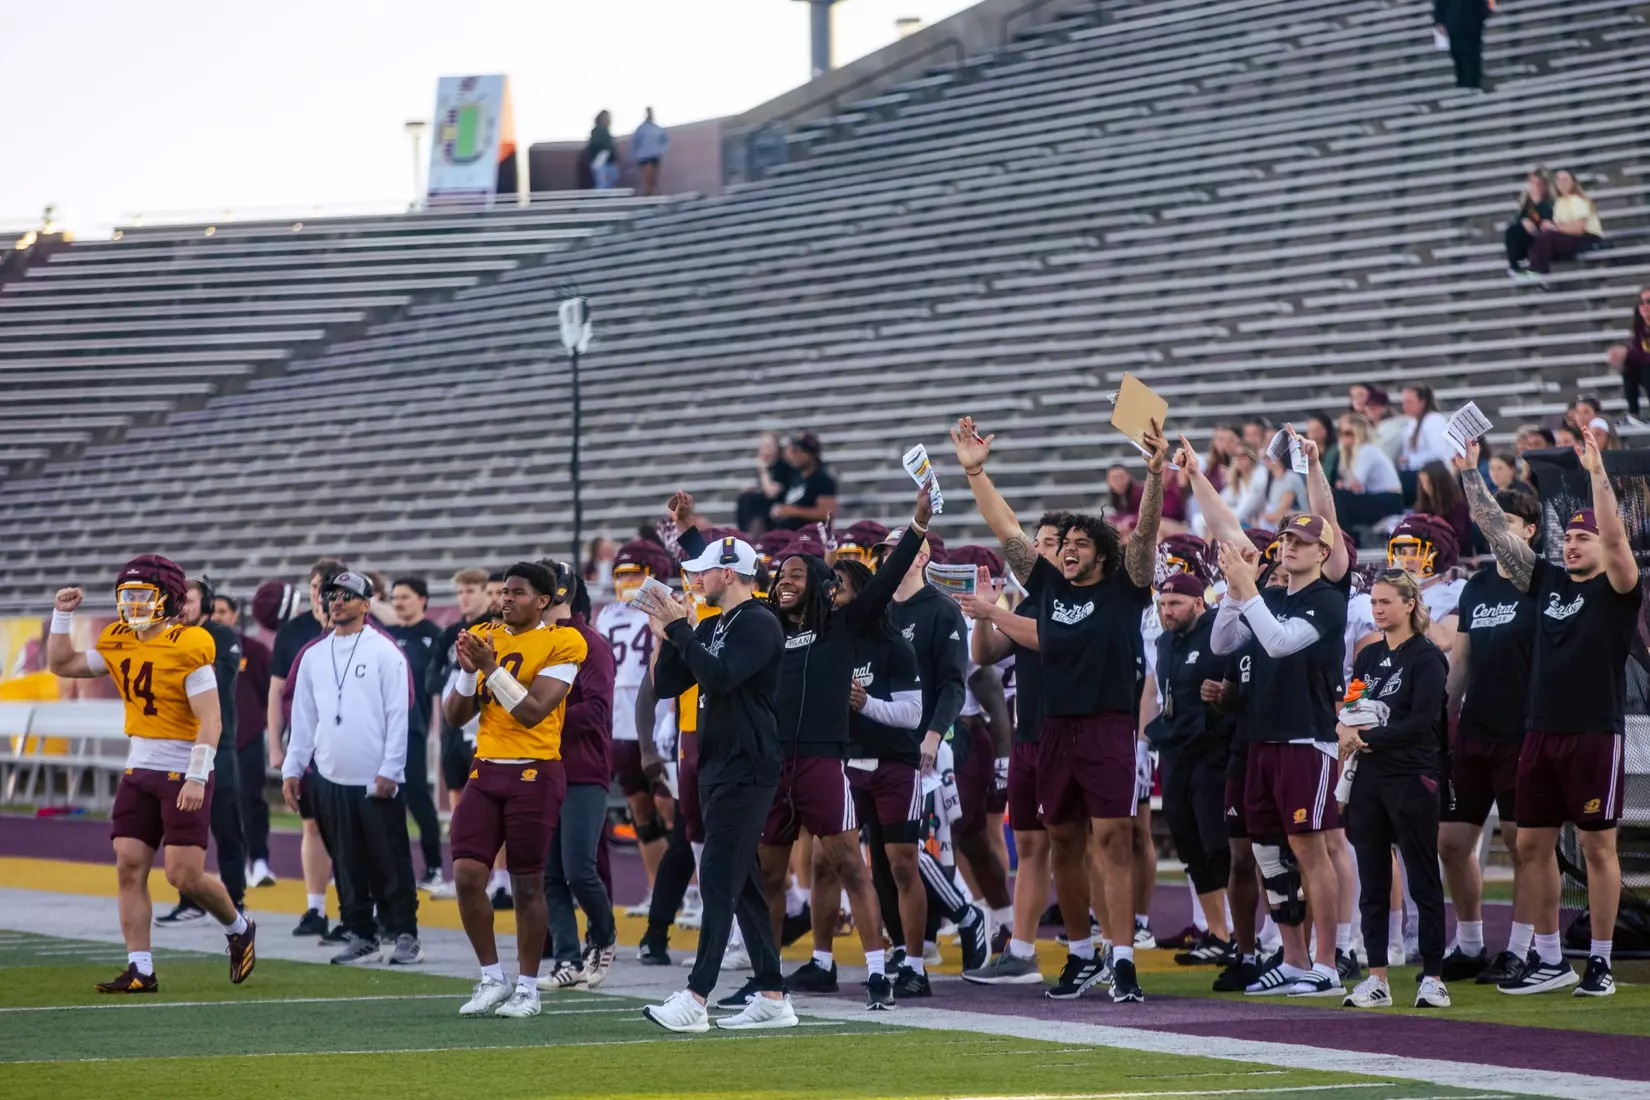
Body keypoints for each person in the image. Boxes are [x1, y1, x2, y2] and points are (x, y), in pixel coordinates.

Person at [675, 484, 931, 1011]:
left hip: (820, 758)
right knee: (765, 870)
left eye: (796, 575)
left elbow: (881, 585)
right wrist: (688, 533)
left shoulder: (841, 626)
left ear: (822, 585)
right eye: (780, 575)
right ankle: (767, 976)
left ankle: (878, 971)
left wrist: (919, 526)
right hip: (770, 763)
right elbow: (729, 573)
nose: (783, 581)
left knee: (846, 862)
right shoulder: (763, 626)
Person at [953, 413, 1167, 1003]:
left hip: (1107, 729)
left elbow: (1144, 537)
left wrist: (1153, 474)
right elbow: (1009, 532)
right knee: (1064, 843)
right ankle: (1080, 954)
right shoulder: (1047, 587)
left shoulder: (1125, 587)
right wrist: (976, 473)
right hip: (1053, 732)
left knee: (1114, 840)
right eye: (1063, 545)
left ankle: (1122, 959)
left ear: (1102, 554)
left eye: (1078, 545)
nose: (1067, 551)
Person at [1465, 428, 1636, 998]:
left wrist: (1596, 473)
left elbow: (1614, 541)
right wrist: (1471, 474)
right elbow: (1496, 533)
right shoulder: (1547, 580)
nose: (1571, 545)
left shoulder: (1618, 586)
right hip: (1538, 732)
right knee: (1532, 846)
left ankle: (1603, 961)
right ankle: (1549, 957)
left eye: (1581, 538)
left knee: (1596, 847)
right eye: (1568, 538)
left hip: (1592, 734)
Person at [46, 555, 255, 992]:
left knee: (183, 875)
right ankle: (140, 967)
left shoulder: (189, 643)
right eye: (129, 596)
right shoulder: (119, 639)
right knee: (129, 865)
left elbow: (210, 720)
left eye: (144, 595)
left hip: (182, 767)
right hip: (139, 766)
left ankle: (238, 928)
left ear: (168, 598)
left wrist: (197, 775)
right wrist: (62, 615)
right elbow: (62, 664)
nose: (135, 604)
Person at [638, 534, 794, 1033]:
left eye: (703, 570)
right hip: (717, 764)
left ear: (728, 573)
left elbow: (721, 677)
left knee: (720, 880)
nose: (696, 578)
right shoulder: (715, 622)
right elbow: (668, 684)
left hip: (747, 766)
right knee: (741, 881)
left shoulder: (759, 622)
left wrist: (683, 630)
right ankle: (772, 994)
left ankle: (696, 995)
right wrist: (667, 632)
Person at [442, 562, 589, 1019]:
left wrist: (489, 667)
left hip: (535, 772)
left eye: (518, 592)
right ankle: (492, 977)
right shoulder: (485, 634)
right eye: (503, 591)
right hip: (485, 769)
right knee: (467, 876)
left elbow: (533, 712)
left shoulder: (564, 640)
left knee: (527, 886)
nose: (506, 599)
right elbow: (454, 716)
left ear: (543, 600)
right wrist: (469, 672)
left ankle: (528, 987)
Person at [281, 571, 422, 966]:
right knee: (346, 863)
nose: (336, 601)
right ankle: (361, 932)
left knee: (390, 861)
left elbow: (399, 716)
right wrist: (293, 770)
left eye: (347, 595)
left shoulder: (385, 651)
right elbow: (303, 720)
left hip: (376, 778)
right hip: (329, 777)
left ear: (366, 603)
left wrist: (391, 770)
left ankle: (405, 933)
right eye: (332, 595)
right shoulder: (312, 655)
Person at [960, 513, 1068, 985]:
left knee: (1082, 845)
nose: (1038, 551)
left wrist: (992, 612)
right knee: (1029, 843)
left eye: (1047, 543)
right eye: (1036, 542)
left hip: (1072, 735)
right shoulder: (1027, 603)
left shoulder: (1083, 600)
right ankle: (1020, 948)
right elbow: (985, 655)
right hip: (1030, 733)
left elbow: (1050, 640)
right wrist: (986, 613)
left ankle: (1107, 948)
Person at [883, 521, 991, 990]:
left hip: (928, 746)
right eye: (885, 550)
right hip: (883, 742)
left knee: (919, 850)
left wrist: (934, 734)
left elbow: (953, 683)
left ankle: (967, 915)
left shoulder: (941, 610)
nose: (888, 557)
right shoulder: (880, 610)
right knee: (886, 852)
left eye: (897, 549)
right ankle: (913, 943)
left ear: (922, 556)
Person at [1339, 571, 1452, 1009]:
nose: (1378, 610)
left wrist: (1365, 736)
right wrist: (1345, 725)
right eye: (1374, 602)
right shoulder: (1367, 658)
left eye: (1387, 601)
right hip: (1369, 778)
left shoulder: (1427, 658)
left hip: (1412, 776)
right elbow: (1350, 705)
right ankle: (1377, 978)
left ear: (1410, 604)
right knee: (1372, 879)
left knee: (1422, 878)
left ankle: (1433, 976)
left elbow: (1422, 723)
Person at [1443, 483, 1540, 985]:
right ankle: (1471, 943)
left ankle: (1522, 949)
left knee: (1523, 844)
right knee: (1452, 842)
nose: (1498, 527)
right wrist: (1442, 716)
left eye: (1509, 518)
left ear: (1530, 529)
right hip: (1476, 730)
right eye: (1492, 518)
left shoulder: (1539, 582)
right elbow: (1461, 660)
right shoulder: (1477, 586)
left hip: (1522, 730)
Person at [831, 557, 926, 999]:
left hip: (894, 764)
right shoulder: (831, 642)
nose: (832, 595)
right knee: (834, 863)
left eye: (841, 587)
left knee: (902, 863)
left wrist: (866, 703)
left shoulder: (894, 646)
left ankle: (916, 962)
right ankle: (822, 959)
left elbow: (912, 714)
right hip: (848, 764)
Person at [1144, 567, 1237, 965]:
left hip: (1213, 751)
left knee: (1221, 846)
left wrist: (1222, 698)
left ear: (1200, 602)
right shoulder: (1166, 642)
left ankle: (1247, 934)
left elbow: (1240, 684)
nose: (1168, 611)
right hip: (1176, 752)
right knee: (1191, 847)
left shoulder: (1220, 632)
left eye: (1176, 603)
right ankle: (1218, 933)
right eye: (1163, 604)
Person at [538, 567, 619, 991]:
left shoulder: (591, 644)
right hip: (542, 765)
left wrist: (539, 712)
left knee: (578, 869)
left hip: (583, 768)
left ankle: (603, 937)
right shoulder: (534, 640)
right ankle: (566, 959)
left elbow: (597, 713)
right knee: (550, 872)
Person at [154, 579, 246, 925]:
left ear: (206, 605)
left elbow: (217, 686)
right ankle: (190, 900)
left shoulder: (221, 636)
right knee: (182, 826)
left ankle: (235, 900)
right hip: (181, 744)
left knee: (226, 825)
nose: (182, 607)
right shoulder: (173, 636)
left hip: (218, 744)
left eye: (189, 601)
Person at [598, 539, 679, 908]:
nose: (628, 582)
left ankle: (690, 892)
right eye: (622, 575)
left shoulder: (671, 609)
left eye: (635, 574)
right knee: (641, 813)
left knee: (672, 811)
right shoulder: (607, 614)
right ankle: (656, 891)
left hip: (659, 721)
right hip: (620, 725)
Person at [267, 558, 345, 939]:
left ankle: (360, 908)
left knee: (351, 829)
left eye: (331, 587)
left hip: (346, 745)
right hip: (306, 744)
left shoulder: (359, 631)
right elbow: (277, 692)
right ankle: (315, 906)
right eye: (317, 586)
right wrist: (276, 749)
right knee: (311, 825)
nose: (322, 595)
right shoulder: (294, 631)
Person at [428, 566, 496, 900]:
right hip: (454, 727)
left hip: (486, 726)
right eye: (460, 592)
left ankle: (501, 877)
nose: (464, 597)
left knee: (493, 806)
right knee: (458, 802)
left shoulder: (494, 630)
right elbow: (433, 679)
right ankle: (462, 872)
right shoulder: (450, 633)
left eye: (471, 590)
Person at [382, 576, 448, 892]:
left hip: (412, 728)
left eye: (405, 597)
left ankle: (434, 867)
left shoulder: (433, 636)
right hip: (376, 729)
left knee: (417, 797)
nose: (397, 602)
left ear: (422, 599)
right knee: (379, 801)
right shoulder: (383, 634)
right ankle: (389, 868)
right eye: (394, 597)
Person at [219, 590, 276, 888]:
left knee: (252, 799)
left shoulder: (252, 650)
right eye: (212, 611)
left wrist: (263, 724)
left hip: (247, 738)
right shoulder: (198, 650)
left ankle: (261, 861)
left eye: (222, 611)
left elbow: (271, 692)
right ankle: (233, 864)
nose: (217, 617)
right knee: (223, 805)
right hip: (214, 740)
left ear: (234, 615)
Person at [1525, 169, 1604, 278]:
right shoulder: (1559, 202)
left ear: (1573, 182)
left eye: (1565, 180)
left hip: (1586, 238)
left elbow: (1578, 229)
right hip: (1569, 237)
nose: (1561, 183)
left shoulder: (1577, 200)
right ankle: (1536, 273)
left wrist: (1554, 227)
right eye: (1558, 180)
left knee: (1546, 238)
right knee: (1537, 238)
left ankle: (1539, 275)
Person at [1333, 412, 1405, 530]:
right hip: (1378, 497)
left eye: (1348, 433)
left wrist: (1344, 485)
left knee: (1339, 497)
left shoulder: (1366, 450)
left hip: (1389, 500)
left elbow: (1357, 485)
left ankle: (1344, 538)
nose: (1343, 437)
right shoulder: (1352, 454)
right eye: (1341, 433)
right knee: (1337, 497)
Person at [771, 432, 837, 531]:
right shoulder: (793, 477)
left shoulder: (823, 479)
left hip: (809, 537)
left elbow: (826, 513)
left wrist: (795, 512)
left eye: (796, 451)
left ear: (810, 454)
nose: (793, 455)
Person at [1606, 286, 1650, 425]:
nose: (1644, 306)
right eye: (1640, 302)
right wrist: (1622, 354)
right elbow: (1640, 353)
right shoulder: (1640, 327)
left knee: (1646, 367)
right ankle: (1633, 415)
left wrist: (1627, 352)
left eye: (1649, 301)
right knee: (1629, 367)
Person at [1414, 461, 1473, 556]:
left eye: (1428, 483)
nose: (1425, 488)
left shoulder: (1458, 507)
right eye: (1422, 483)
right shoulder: (1423, 507)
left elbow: (1457, 537)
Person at [1434, 0, 1494, 92]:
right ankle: (1462, 83)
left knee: (1472, 56)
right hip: (1453, 27)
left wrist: (1479, 20)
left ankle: (1473, 83)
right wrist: (1439, 22)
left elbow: (1486, 6)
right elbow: (1439, 6)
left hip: (1472, 28)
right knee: (1457, 55)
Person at [1506, 169, 1554, 277]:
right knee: (1512, 231)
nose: (1534, 187)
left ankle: (1535, 268)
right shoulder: (1527, 206)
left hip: (1543, 239)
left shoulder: (1548, 205)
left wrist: (1534, 228)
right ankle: (1516, 266)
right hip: (1527, 239)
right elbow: (1519, 221)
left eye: (1538, 184)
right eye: (1532, 183)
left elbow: (1547, 222)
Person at [1398, 385, 1452, 475]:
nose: (1405, 406)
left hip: (1435, 474)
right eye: (1403, 402)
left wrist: (1410, 460)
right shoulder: (1412, 422)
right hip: (1415, 472)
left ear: (1422, 402)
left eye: (1409, 402)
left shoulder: (1435, 420)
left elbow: (1439, 454)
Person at [631, 107, 670, 197]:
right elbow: (635, 143)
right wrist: (636, 155)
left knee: (653, 179)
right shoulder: (641, 129)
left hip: (655, 156)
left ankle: (652, 196)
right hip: (645, 157)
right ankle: (649, 197)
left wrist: (661, 150)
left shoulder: (657, 128)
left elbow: (665, 140)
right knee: (648, 179)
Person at [1365, 388, 1408, 464]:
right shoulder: (1368, 429)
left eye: (1377, 405)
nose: (1371, 408)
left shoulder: (1394, 426)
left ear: (1386, 407)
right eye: (1368, 405)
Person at [587, 110, 619, 189]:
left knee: (609, 182)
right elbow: (599, 146)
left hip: (606, 160)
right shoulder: (598, 131)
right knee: (603, 183)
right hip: (601, 159)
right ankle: (600, 200)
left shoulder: (604, 131)